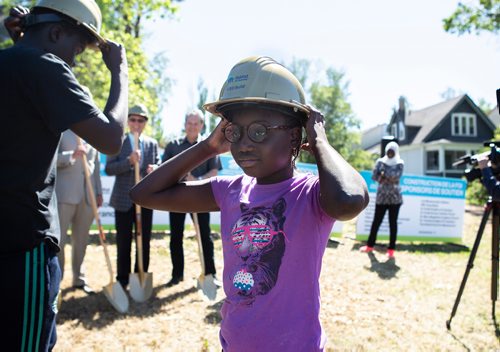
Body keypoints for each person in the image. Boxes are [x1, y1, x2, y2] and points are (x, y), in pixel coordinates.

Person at [131, 56, 369, 351]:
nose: (244, 143)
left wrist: (319, 140)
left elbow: (349, 200)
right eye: (235, 131)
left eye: (259, 131)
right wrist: (206, 147)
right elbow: (144, 195)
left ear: (295, 136)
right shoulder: (229, 191)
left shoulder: (310, 195)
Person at [1, 0, 128, 350]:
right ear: (55, 33)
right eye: (75, 50)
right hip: (22, 245)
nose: (73, 62)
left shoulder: (12, 63)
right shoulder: (45, 67)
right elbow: (112, 139)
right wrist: (120, 72)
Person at [161, 109, 222, 287]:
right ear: (185, 124)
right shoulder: (173, 146)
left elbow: (214, 171)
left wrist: (197, 180)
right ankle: (177, 275)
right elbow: (163, 168)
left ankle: (210, 273)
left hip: (200, 198)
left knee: (205, 236)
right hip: (177, 197)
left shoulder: (209, 146)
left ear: (201, 126)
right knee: (176, 237)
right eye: (189, 123)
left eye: (196, 123)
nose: (192, 127)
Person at [105, 104, 160, 290]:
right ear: (128, 121)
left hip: (145, 201)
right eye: (133, 119)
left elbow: (159, 166)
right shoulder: (118, 142)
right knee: (123, 243)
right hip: (123, 201)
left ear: (145, 123)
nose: (136, 123)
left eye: (141, 120)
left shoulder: (152, 144)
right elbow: (109, 168)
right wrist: (129, 161)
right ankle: (123, 279)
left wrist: (155, 169)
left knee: (143, 241)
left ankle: (140, 276)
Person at [56, 129, 102, 295]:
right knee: (59, 241)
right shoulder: (61, 131)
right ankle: (57, 280)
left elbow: (95, 166)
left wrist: (98, 192)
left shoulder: (92, 134)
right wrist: (71, 155)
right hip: (65, 195)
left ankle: (79, 279)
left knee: (81, 240)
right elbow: (51, 159)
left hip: (88, 196)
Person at [360, 141, 404, 258]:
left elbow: (396, 177)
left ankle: (391, 250)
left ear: (396, 151)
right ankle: (370, 246)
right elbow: (374, 176)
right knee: (376, 222)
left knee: (392, 224)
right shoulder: (380, 162)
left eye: (392, 151)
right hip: (381, 198)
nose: (390, 153)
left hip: (395, 199)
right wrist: (385, 177)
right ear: (386, 151)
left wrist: (383, 176)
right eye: (388, 151)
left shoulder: (400, 163)